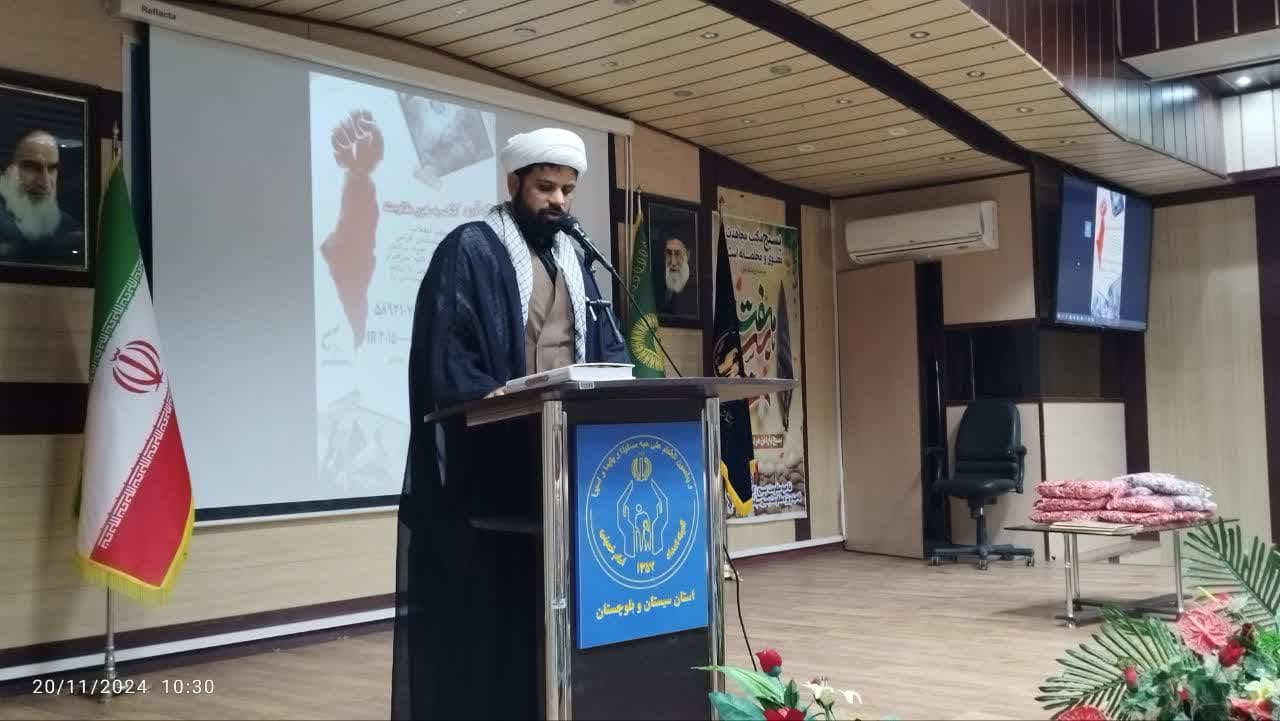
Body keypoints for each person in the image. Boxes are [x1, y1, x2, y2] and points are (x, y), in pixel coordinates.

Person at [392, 127, 627, 720]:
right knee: (501, 618)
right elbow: (447, 358)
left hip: (568, 465)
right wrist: (497, 396)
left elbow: (608, 350)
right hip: (497, 468)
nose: (558, 201)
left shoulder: (574, 258)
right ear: (514, 182)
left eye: (567, 190)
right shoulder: (470, 249)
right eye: (545, 187)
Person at [0, 129, 83, 266]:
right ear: (7, 172)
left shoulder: (61, 219)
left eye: (52, 169)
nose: (45, 181)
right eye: (32, 167)